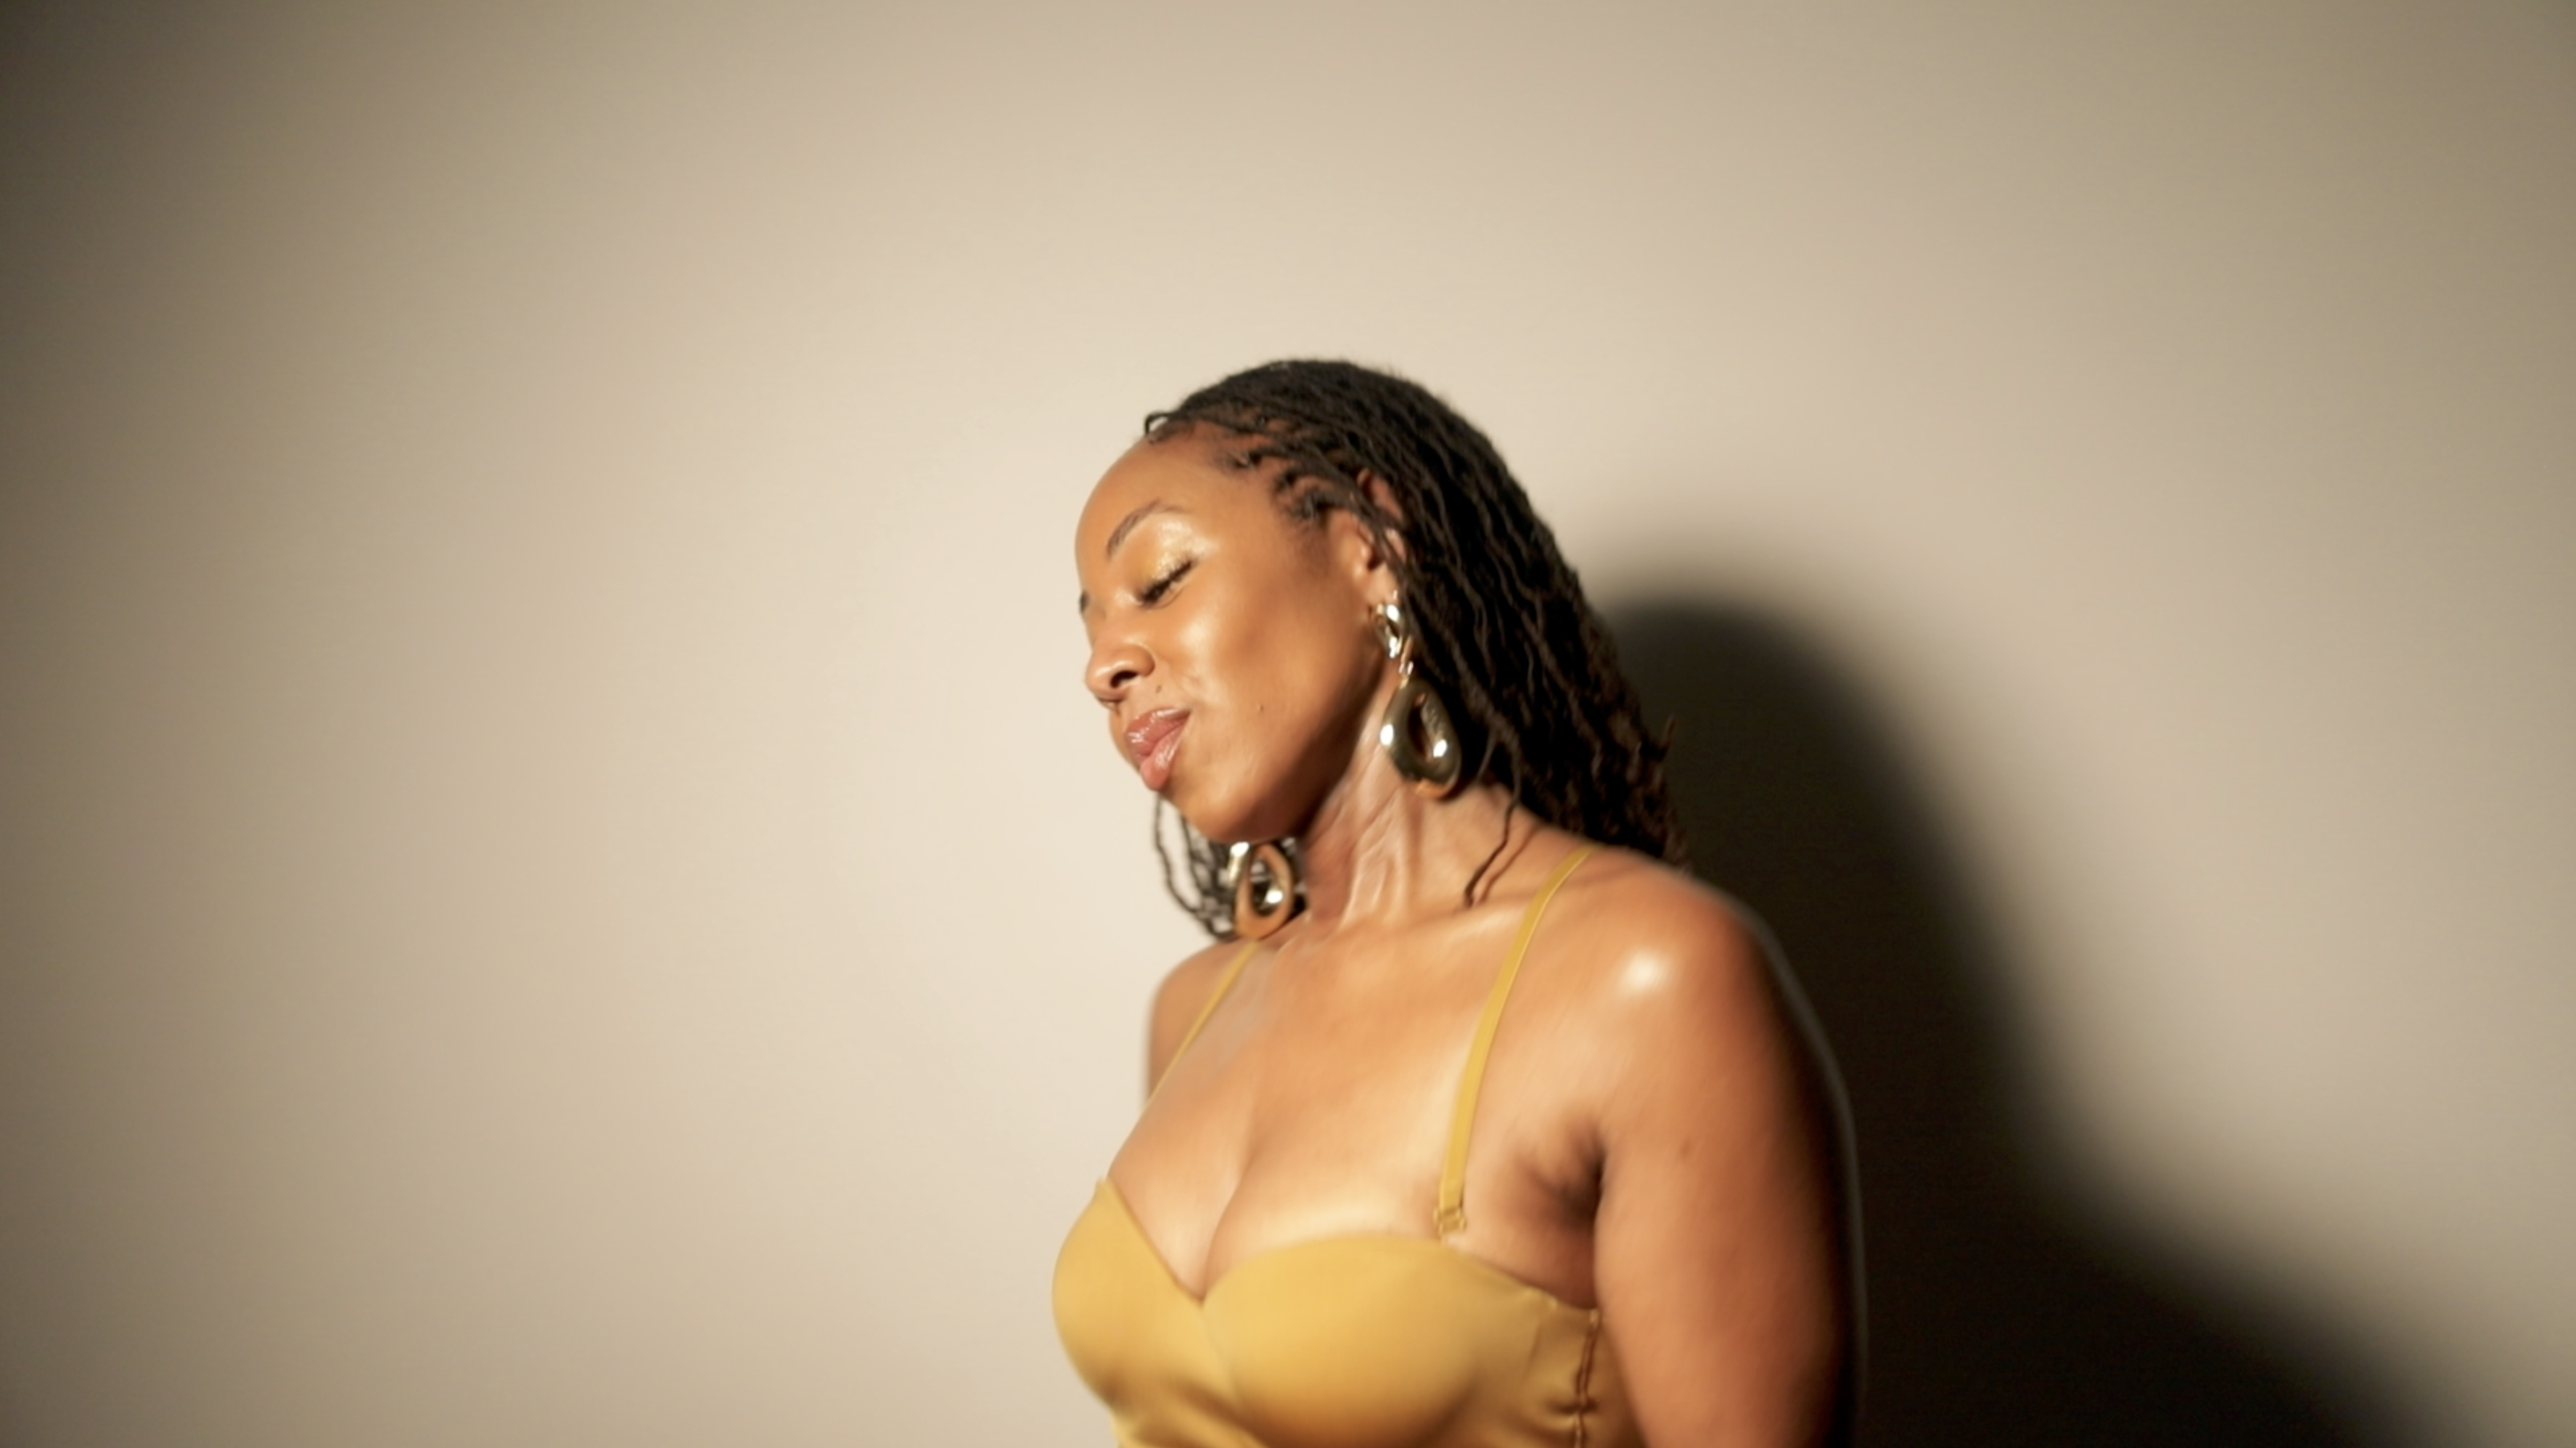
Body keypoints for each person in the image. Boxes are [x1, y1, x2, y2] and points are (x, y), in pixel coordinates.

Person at [1053, 361, 1858, 1448]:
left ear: (1368, 550)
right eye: (1091, 624)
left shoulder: (1648, 980)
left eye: (1159, 580)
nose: (1105, 664)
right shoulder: (1194, 1011)